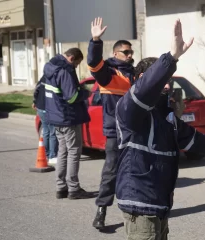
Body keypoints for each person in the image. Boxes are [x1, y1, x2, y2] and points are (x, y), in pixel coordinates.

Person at [115, 19, 205, 239]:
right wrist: (172, 57)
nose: (167, 86)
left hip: (159, 202)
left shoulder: (167, 116)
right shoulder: (129, 108)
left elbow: (193, 139)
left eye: (168, 81)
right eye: (162, 80)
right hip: (139, 202)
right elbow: (144, 92)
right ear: (142, 80)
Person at [87, 17, 136, 229]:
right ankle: (101, 210)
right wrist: (95, 40)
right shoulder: (108, 73)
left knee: (135, 172)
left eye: (131, 52)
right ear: (116, 53)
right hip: (115, 132)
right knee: (111, 171)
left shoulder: (135, 74)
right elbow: (93, 64)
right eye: (126, 52)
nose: (130, 55)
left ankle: (134, 211)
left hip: (136, 131)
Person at [44, 48, 93, 200]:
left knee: (63, 152)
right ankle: (74, 188)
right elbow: (71, 97)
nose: (76, 67)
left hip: (55, 117)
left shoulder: (51, 66)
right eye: (77, 64)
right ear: (71, 58)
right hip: (68, 117)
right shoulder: (65, 70)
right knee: (73, 152)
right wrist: (86, 93)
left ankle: (61, 187)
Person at [32, 75, 58, 165]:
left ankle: (46, 153)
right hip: (49, 109)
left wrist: (35, 102)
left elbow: (36, 90)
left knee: (46, 131)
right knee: (52, 132)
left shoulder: (44, 77)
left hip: (40, 107)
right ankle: (52, 155)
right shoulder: (55, 78)